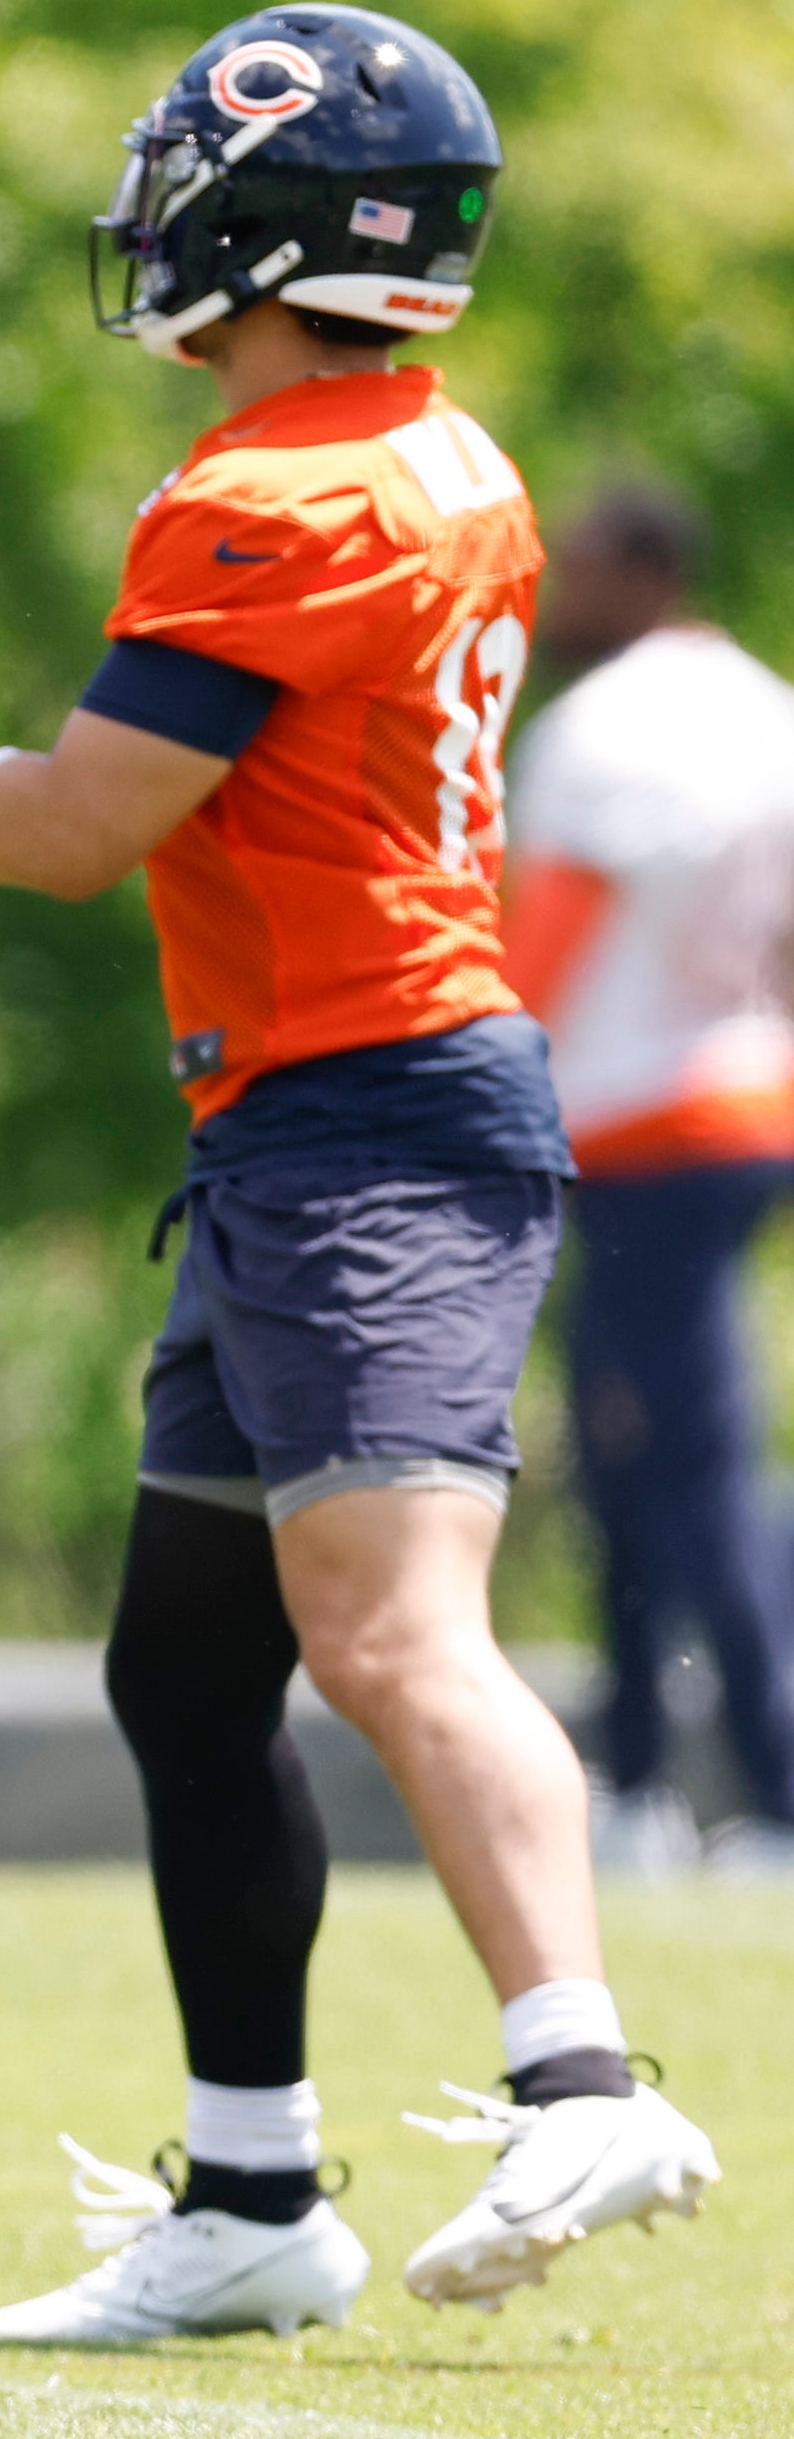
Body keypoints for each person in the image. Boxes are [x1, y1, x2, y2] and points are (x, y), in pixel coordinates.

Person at [0, 4, 724, 2341]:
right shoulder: (437, 453)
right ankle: (246, 2190)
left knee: (381, 1626)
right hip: (310, 1108)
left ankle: (576, 2065)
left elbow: (59, 831)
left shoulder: (268, 494)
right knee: (184, 1660)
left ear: (258, 225)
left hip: (363, 1111)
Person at [504, 482, 794, 1880]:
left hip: (634, 1124)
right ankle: (636, 1775)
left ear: (641, 573)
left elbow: (544, 944)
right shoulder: (763, 706)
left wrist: (472, 1098)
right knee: (644, 1464)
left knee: (684, 1470)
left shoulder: (610, 729)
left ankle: (763, 1787)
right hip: (747, 1109)